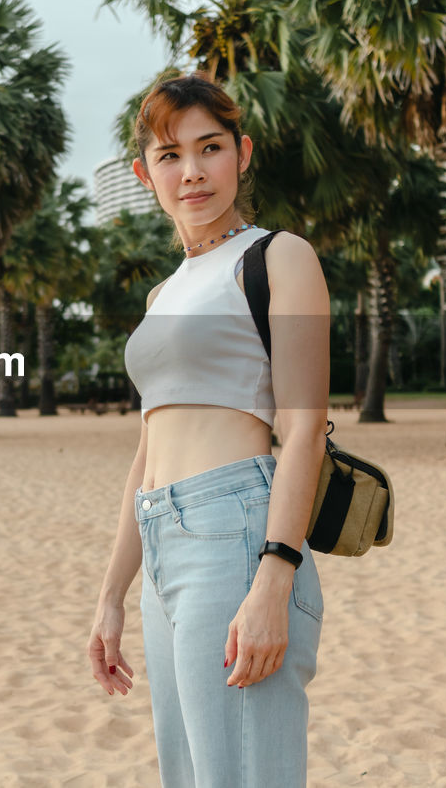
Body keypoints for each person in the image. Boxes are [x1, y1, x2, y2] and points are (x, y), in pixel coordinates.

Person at [86, 72, 330, 787]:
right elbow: (146, 452)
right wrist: (111, 593)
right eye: (169, 155)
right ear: (144, 172)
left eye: (210, 147)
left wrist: (273, 579)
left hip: (238, 532)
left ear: (242, 153)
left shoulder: (278, 256)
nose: (191, 171)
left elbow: (305, 427)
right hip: (163, 539)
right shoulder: (165, 292)